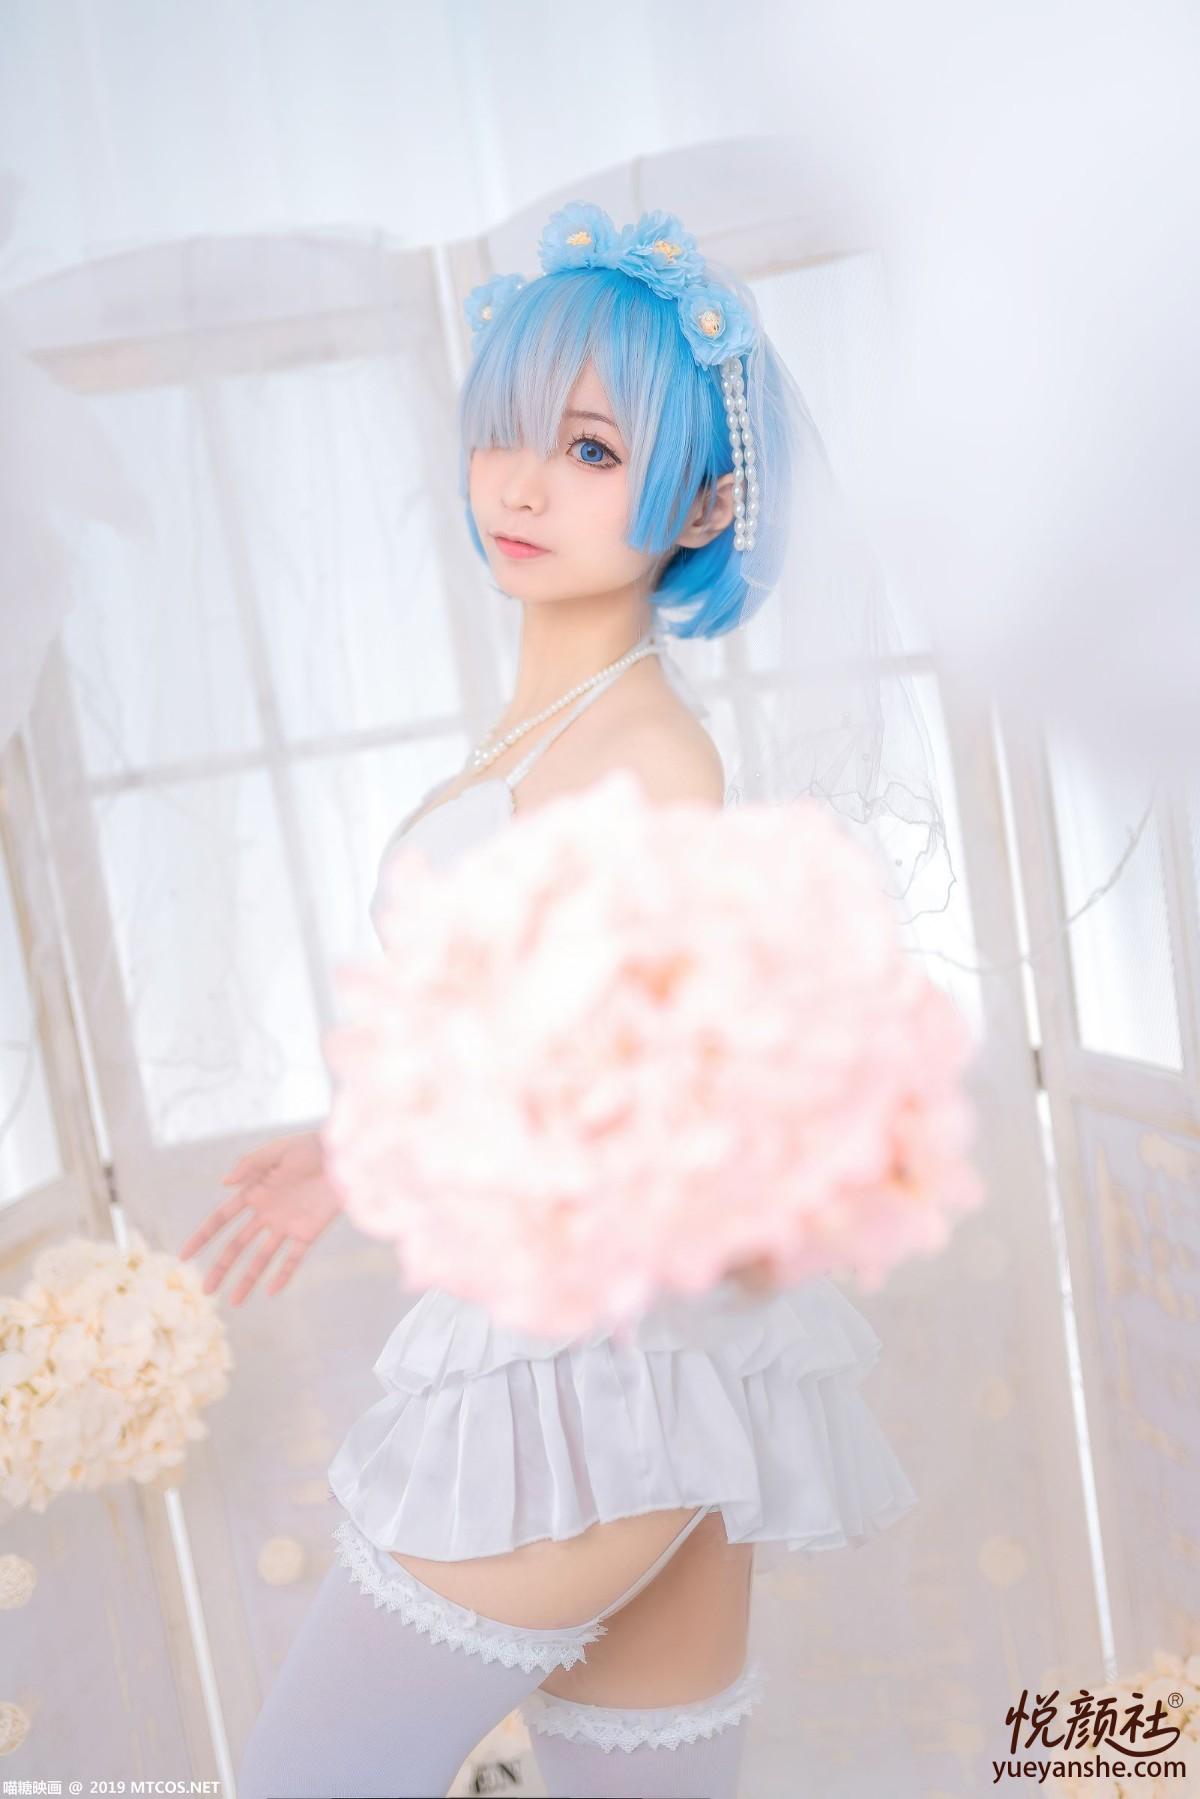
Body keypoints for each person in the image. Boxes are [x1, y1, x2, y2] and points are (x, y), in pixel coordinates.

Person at [182, 203, 917, 1799]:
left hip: (588, 1376)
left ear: (704, 499)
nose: (520, 483)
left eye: (589, 450)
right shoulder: (552, 738)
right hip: (646, 1382)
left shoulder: (644, 760)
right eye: (506, 431)